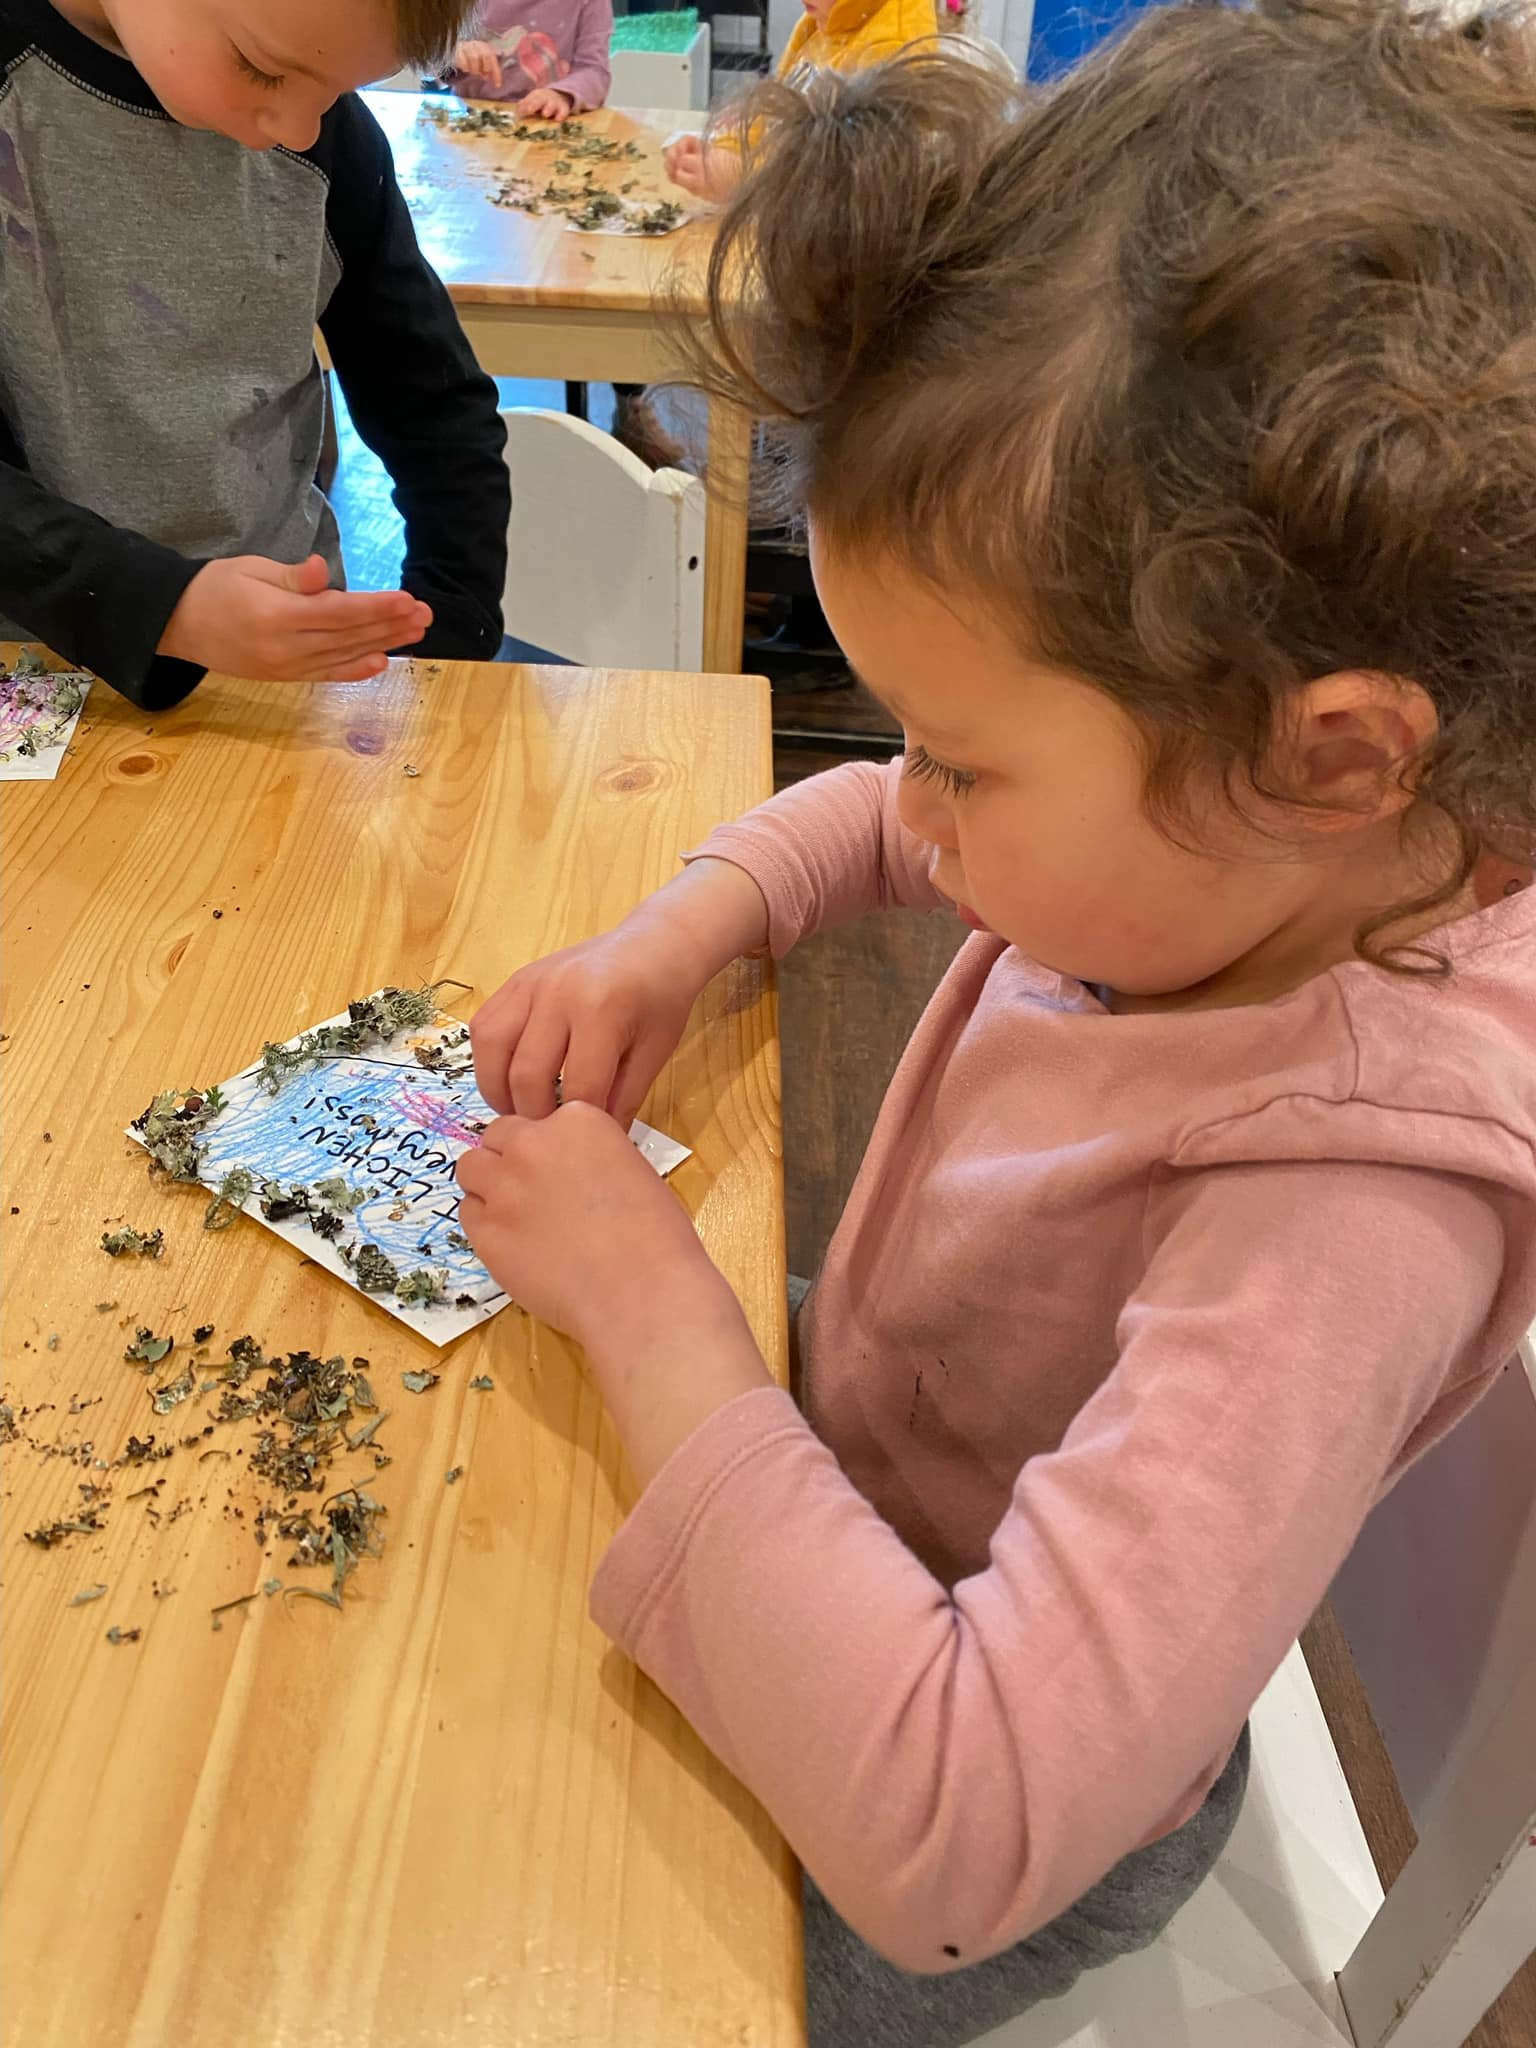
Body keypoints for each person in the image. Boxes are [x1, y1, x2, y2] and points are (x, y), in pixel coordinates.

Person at [456, 6, 1536, 2044]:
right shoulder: (1257, 845)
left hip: (978, 1821)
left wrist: (660, 1305)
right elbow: (864, 818)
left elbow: (963, 1831)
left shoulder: (1353, 1210)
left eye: (961, 756)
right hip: (872, 1464)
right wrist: (680, 937)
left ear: (1331, 759)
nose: (913, 807)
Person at [0, 0, 509, 709]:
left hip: (283, 684)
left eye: (340, 90)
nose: (302, 129)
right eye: (263, 70)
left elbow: (435, 400)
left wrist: (451, 626)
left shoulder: (332, 139)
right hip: (34, 683)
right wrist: (163, 608)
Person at [664, 0, 940, 202]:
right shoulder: (820, 21)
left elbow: (843, 187)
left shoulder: (892, 49)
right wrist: (725, 152)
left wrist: (744, 178)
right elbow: (778, 110)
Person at [442, 0, 613, 121]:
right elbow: (432, 59)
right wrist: (453, 52)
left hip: (549, 124)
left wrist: (562, 94)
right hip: (473, 123)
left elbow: (594, 70)